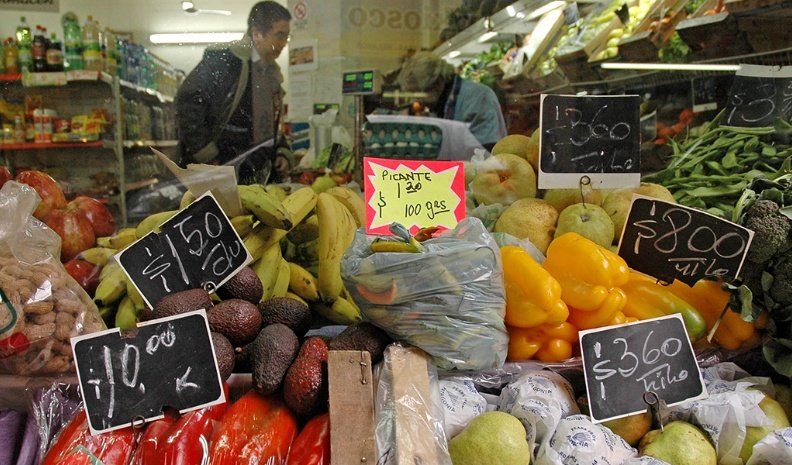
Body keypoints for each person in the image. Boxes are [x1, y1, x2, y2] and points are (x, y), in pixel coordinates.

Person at [176, 1, 291, 177]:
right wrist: (206, 154)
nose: (284, 43)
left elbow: (267, 123)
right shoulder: (225, 61)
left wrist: (281, 151)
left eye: (287, 36)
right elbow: (188, 101)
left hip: (254, 175)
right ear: (257, 33)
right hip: (218, 173)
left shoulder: (271, 75)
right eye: (280, 35)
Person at [397, 52, 507, 150]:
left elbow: (484, 151)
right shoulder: (443, 102)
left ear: (438, 83)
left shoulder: (477, 97)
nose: (418, 102)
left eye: (420, 94)